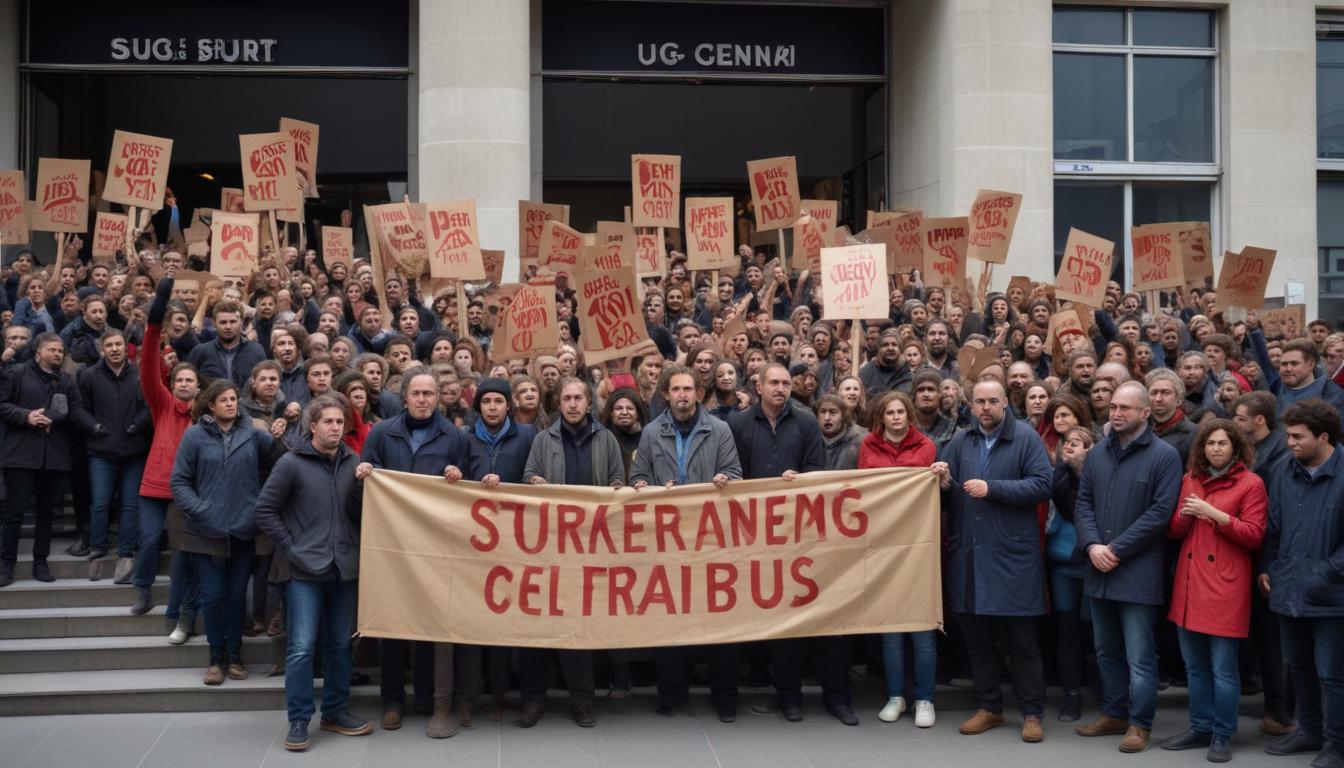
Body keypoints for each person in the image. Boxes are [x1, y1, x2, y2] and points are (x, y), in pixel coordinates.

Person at [932, 380, 1052, 743]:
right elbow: (952, 497)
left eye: (992, 401)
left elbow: (1042, 485)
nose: (985, 408)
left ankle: (1032, 713)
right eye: (979, 402)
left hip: (1012, 558)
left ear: (1005, 403)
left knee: (1021, 642)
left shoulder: (1027, 439)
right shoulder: (960, 441)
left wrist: (993, 488)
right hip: (969, 556)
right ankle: (989, 708)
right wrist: (944, 482)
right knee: (978, 641)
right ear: (971, 406)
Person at [1073, 381, 1183, 753]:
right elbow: (1083, 502)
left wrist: (1115, 549)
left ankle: (1140, 724)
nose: (1116, 413)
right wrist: (1091, 545)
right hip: (1097, 567)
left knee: (1139, 654)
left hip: (1135, 569)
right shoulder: (1099, 452)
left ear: (1145, 413)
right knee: (1106, 650)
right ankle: (1115, 712)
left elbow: (1159, 514)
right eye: (1114, 407)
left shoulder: (1164, 456)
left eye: (1126, 408)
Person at [256, 395, 371, 752]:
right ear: (313, 426)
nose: (336, 428)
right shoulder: (291, 463)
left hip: (343, 568)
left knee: (340, 645)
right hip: (305, 570)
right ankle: (299, 719)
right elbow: (265, 510)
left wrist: (361, 485)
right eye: (329, 422)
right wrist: (292, 548)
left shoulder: (354, 461)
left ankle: (335, 711)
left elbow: (357, 514)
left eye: (340, 423)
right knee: (302, 647)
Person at [360, 365, 469, 738]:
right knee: (392, 626)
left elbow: (468, 493)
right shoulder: (380, 433)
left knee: (429, 625)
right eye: (417, 394)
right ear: (403, 397)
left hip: (436, 549)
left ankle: (426, 699)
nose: (423, 400)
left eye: (430, 394)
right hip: (391, 547)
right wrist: (365, 476)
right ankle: (392, 702)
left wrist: (458, 477)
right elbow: (364, 488)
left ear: (438, 397)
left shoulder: (454, 436)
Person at [629, 365, 741, 716]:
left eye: (688, 389)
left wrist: (725, 478)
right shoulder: (650, 433)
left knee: (721, 622)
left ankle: (724, 697)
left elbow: (736, 474)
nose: (682, 395)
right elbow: (638, 476)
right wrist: (645, 487)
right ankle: (671, 694)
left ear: (698, 394)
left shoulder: (720, 430)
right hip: (667, 542)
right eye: (676, 389)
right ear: (666, 394)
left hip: (711, 540)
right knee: (670, 618)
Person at [727, 362, 831, 724]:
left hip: (791, 539)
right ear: (758, 386)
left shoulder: (805, 423)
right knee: (738, 612)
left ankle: (790, 696)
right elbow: (730, 473)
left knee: (788, 619)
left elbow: (818, 470)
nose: (781, 388)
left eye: (787, 383)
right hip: (745, 536)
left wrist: (801, 480)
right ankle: (730, 695)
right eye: (774, 382)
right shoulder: (737, 424)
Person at [521, 376, 625, 728]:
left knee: (578, 628)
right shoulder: (542, 439)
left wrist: (614, 491)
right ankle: (534, 700)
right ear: (559, 403)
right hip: (549, 547)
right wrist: (535, 482)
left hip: (590, 548)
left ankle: (582, 700)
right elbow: (529, 476)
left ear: (588, 402)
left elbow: (618, 484)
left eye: (579, 397)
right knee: (538, 626)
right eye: (566, 398)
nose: (573, 404)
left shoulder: (606, 438)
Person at [1162, 419, 1267, 763]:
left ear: (1236, 448)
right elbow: (1176, 532)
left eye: (1222, 443)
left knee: (1223, 668)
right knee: (1195, 667)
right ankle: (1200, 726)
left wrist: (1213, 514)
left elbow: (1253, 535)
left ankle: (1222, 732)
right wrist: (1185, 514)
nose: (1215, 449)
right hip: (1190, 584)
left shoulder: (1251, 484)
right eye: (1209, 444)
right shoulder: (1189, 478)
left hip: (1225, 586)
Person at [171, 379, 277, 685]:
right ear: (211, 405)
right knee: (213, 595)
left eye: (234, 398)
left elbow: (278, 465)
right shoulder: (194, 436)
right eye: (224, 400)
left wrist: (257, 508)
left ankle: (235, 656)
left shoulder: (253, 433)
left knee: (235, 597)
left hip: (243, 530)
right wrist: (202, 510)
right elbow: (179, 481)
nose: (231, 403)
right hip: (204, 531)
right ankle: (215, 658)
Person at [1259, 399, 1344, 768]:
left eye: (1297, 436)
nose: (1289, 442)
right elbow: (1273, 527)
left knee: (1333, 674)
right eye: (1288, 435)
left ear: (1323, 437)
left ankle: (1336, 744)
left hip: (1333, 595)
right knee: (1300, 667)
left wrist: (1323, 572)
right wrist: (1268, 566)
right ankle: (1309, 731)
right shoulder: (1282, 470)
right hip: (1287, 589)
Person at [457, 378, 536, 726]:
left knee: (510, 623)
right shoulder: (464, 438)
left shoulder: (528, 436)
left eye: (498, 401)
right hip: (473, 545)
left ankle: (502, 696)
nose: (492, 407)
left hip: (518, 543)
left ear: (509, 406)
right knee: (472, 623)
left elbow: (534, 477)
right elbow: (453, 480)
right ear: (479, 407)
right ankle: (469, 698)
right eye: (486, 401)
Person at [857, 390, 938, 728]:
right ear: (881, 417)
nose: (895, 417)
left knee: (921, 628)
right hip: (883, 546)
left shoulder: (926, 447)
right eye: (889, 412)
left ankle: (924, 699)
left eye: (900, 412)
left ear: (909, 415)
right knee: (890, 629)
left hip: (919, 547)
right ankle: (895, 695)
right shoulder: (868, 447)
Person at [129, 277, 201, 645]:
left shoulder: (205, 415)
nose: (185, 384)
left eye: (191, 380)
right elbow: (148, 361)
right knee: (148, 538)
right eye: (180, 379)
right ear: (172, 383)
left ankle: (180, 613)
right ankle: (142, 588)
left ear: (199, 387)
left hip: (187, 493)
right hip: (155, 487)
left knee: (185, 555)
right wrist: (156, 316)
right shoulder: (161, 404)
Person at [0, 333, 94, 586]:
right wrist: (26, 416)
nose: (58, 354)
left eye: (61, 351)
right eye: (52, 350)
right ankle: (6, 564)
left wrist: (93, 426)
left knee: (46, 515)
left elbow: (75, 410)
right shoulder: (16, 373)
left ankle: (40, 562)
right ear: (37, 352)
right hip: (21, 455)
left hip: (55, 457)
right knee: (14, 513)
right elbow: (2, 404)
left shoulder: (65, 380)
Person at [1230, 390, 1294, 735]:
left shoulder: (1281, 454)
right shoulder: (1250, 451)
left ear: (1259, 420)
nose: (1236, 425)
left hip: (1271, 554)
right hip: (1249, 553)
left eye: (1240, 419)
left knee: (1273, 640)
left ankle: (1279, 709)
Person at [76, 329, 151, 576]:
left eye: (119, 344)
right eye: (109, 345)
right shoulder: (88, 376)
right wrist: (93, 426)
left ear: (125, 347)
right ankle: (98, 549)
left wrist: (137, 425)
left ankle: (126, 552)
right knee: (100, 504)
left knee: (130, 505)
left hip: (133, 450)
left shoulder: (140, 375)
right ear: (102, 350)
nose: (115, 349)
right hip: (101, 451)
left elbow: (151, 406)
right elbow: (79, 409)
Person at [1048, 426, 1094, 722]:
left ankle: (1106, 692)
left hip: (1093, 565)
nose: (1071, 446)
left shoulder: (1099, 479)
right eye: (1068, 442)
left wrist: (1082, 471)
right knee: (1067, 632)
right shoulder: (1056, 477)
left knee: (1096, 632)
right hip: (1062, 564)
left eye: (1079, 443)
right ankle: (1071, 696)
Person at [186, 300, 267, 388]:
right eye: (223, 322)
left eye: (233, 322)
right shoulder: (200, 352)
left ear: (241, 322)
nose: (228, 327)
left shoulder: (256, 351)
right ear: (214, 323)